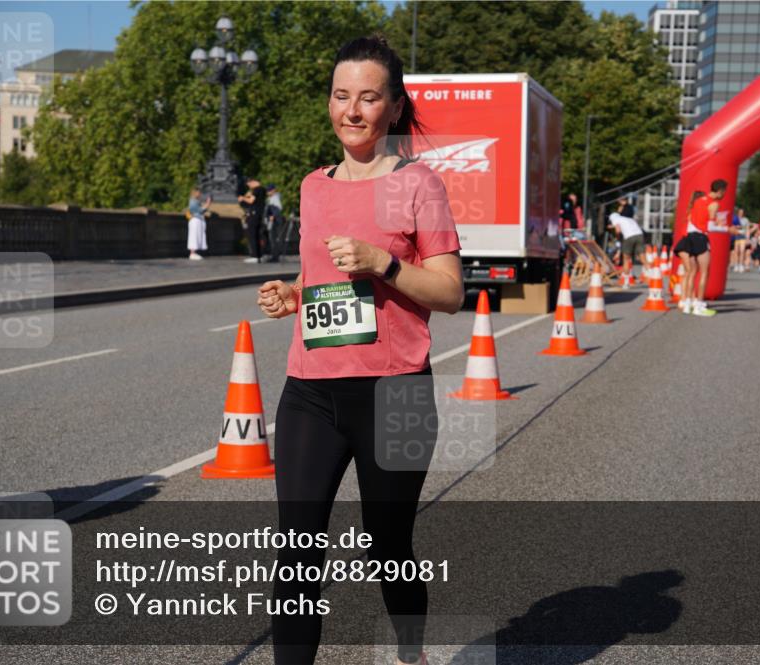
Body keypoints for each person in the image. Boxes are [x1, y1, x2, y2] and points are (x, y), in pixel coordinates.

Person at [256, 34, 463, 665]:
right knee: (297, 547)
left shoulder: (419, 183)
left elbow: (451, 291)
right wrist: (293, 295)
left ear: (394, 108)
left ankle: (409, 652)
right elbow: (323, 279)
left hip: (395, 392)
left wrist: (385, 263)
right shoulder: (313, 185)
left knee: (388, 542)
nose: (352, 110)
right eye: (341, 96)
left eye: (368, 97)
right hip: (310, 390)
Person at [675, 179, 727, 316]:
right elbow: (710, 227)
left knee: (691, 272)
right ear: (720, 190)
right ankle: (698, 305)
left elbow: (694, 220)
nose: (724, 195)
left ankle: (687, 304)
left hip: (689, 238)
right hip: (701, 237)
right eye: (724, 192)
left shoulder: (698, 201)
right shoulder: (714, 204)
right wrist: (727, 229)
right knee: (704, 272)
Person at [608, 211, 645, 284]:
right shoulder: (628, 219)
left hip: (629, 237)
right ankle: (653, 274)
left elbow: (618, 230)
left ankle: (626, 279)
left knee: (626, 259)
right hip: (640, 235)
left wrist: (618, 238)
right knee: (642, 257)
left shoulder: (615, 219)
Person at [239, 177, 268, 263]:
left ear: (253, 182)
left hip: (254, 215)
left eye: (249, 184)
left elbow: (251, 200)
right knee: (257, 235)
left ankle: (254, 255)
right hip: (259, 214)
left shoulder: (257, 189)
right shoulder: (262, 189)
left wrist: (242, 198)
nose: (249, 186)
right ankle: (259, 255)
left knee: (252, 234)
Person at [187, 187, 210, 260]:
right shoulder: (193, 201)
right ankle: (192, 253)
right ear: (195, 193)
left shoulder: (196, 201)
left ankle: (194, 252)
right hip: (195, 220)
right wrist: (207, 204)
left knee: (197, 236)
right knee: (194, 236)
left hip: (198, 220)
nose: (200, 194)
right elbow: (199, 210)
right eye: (199, 192)